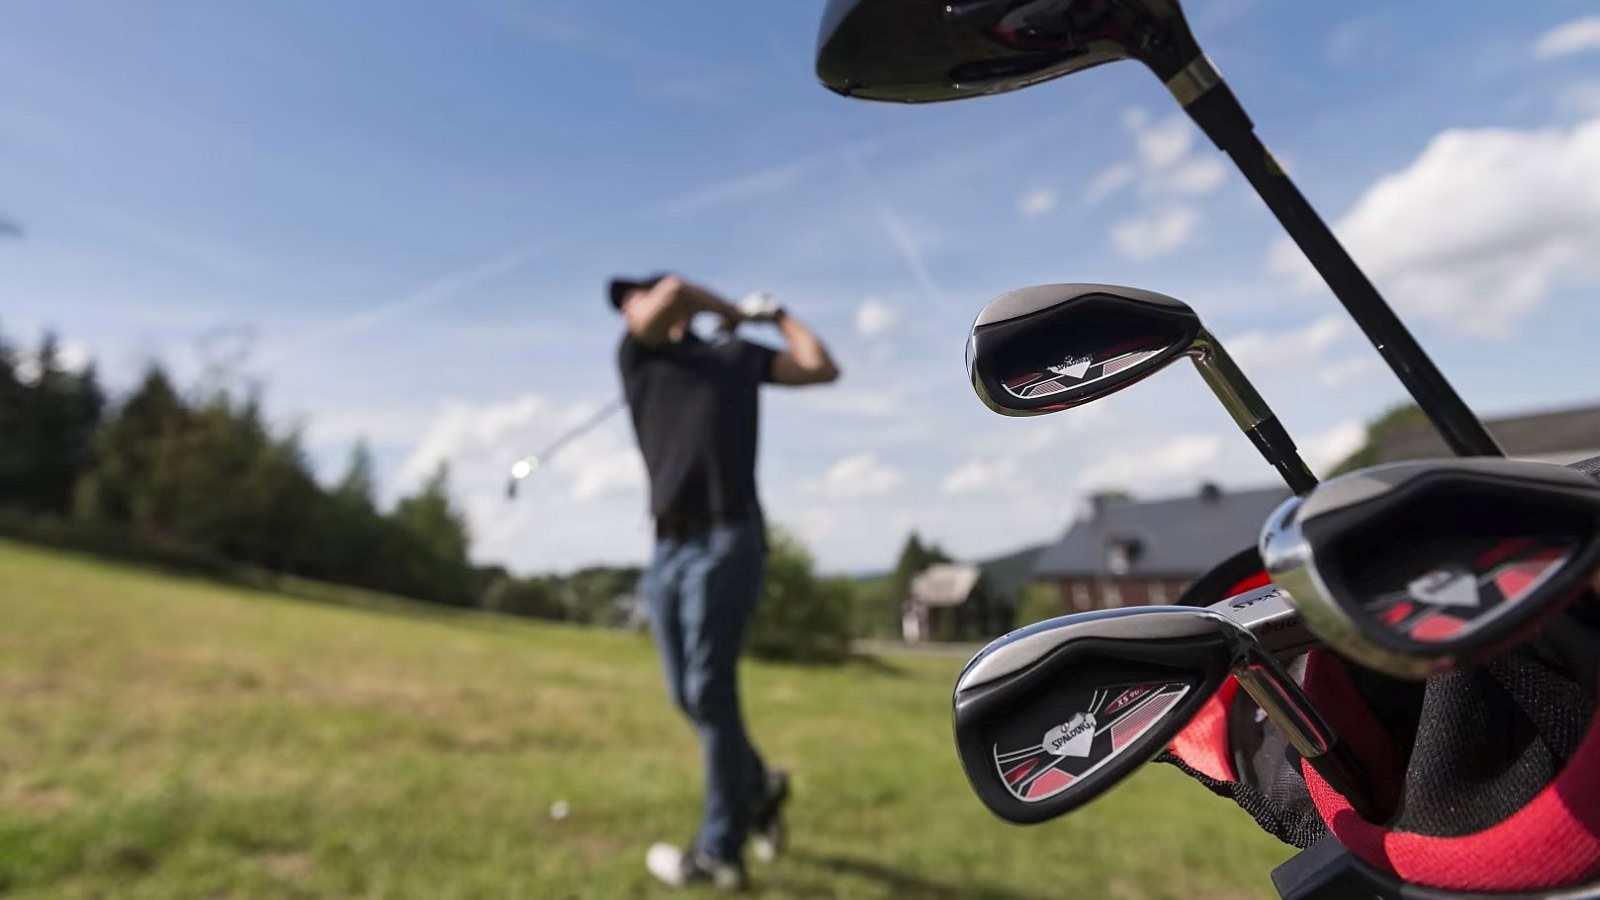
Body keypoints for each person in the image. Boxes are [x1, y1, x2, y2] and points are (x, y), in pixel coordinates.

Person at [609, 273, 841, 891]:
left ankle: (719, 850)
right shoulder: (639, 357)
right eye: (628, 304)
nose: (631, 307)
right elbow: (679, 291)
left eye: (633, 294)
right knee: (687, 695)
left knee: (710, 693)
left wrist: (778, 316)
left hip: (728, 539)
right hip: (667, 548)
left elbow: (820, 368)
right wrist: (734, 310)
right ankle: (759, 785)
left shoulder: (733, 356)